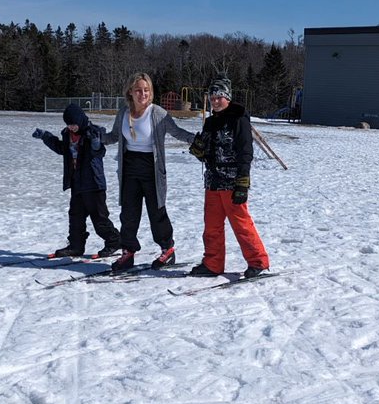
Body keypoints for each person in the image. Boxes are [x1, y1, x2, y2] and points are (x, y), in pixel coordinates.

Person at [101, 72, 195, 271]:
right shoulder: (123, 113)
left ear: (151, 92)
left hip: (152, 169)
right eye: (138, 90)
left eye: (146, 90)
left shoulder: (157, 113)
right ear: (130, 92)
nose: (142, 94)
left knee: (157, 211)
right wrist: (96, 137)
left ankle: (167, 250)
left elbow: (178, 132)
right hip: (129, 167)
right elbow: (115, 136)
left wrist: (198, 140)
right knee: (128, 213)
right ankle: (128, 252)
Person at [188, 77, 270, 279]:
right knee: (212, 227)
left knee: (242, 225)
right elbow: (208, 152)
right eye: (213, 98)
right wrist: (199, 150)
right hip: (213, 182)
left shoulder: (238, 118)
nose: (215, 101)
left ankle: (258, 262)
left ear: (228, 98)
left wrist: (243, 182)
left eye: (219, 97)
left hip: (232, 182)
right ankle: (213, 263)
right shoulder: (210, 121)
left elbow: (245, 152)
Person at [32, 103, 121, 258]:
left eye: (73, 124)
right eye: (69, 124)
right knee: (75, 217)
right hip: (77, 183)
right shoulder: (67, 134)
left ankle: (114, 241)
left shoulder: (93, 132)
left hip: (94, 184)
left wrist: (95, 145)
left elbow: (100, 152)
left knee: (99, 218)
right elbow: (62, 149)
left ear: (80, 120)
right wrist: (46, 136)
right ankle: (76, 246)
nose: (71, 127)